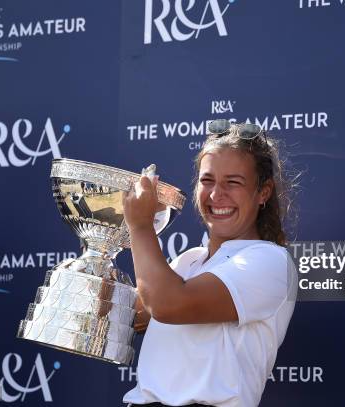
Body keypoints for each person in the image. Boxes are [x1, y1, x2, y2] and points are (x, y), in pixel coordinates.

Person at [122, 119, 298, 407]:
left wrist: (141, 226)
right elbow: (136, 319)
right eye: (207, 181)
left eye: (233, 183)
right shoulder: (187, 260)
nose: (216, 195)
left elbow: (166, 303)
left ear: (263, 192)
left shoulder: (270, 261)